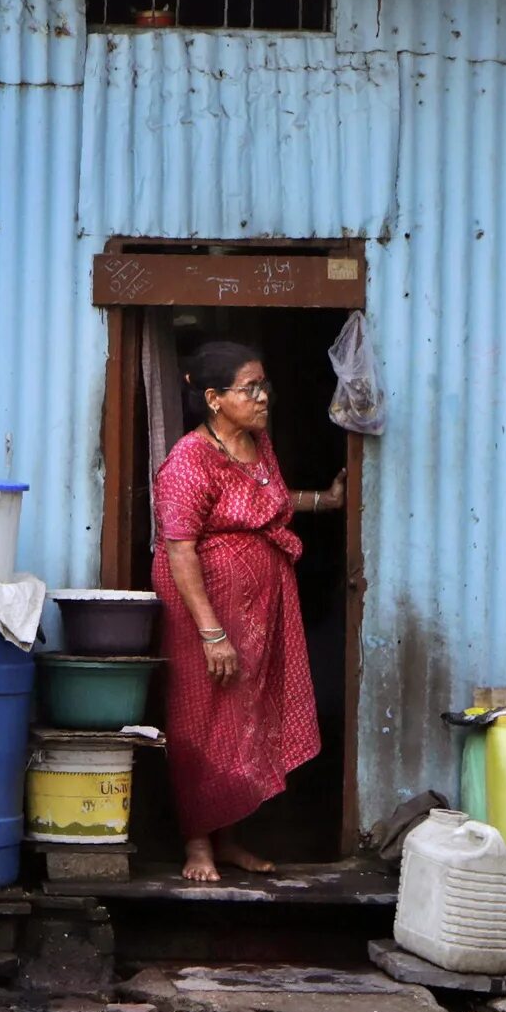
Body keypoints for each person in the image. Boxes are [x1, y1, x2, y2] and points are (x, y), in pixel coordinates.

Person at [150, 341, 342, 884]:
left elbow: (266, 505)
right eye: (250, 389)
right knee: (200, 719)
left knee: (244, 717)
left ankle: (228, 838)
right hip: (203, 616)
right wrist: (212, 633)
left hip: (257, 614)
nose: (263, 398)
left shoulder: (258, 445)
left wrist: (324, 502)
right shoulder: (189, 460)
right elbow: (180, 549)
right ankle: (196, 844)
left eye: (265, 386)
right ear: (214, 399)